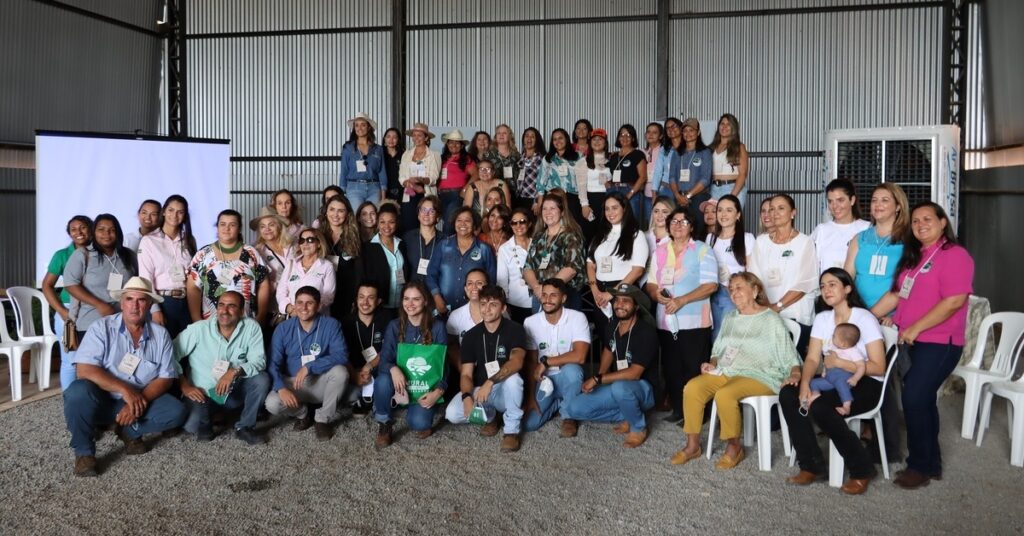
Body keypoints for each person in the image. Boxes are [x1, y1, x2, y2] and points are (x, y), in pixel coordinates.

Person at [870, 202, 974, 490]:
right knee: (923, 399)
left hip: (940, 342)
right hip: (911, 341)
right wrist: (865, 318)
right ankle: (932, 463)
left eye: (928, 219)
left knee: (915, 397)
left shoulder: (955, 255)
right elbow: (895, 295)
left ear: (943, 222)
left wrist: (916, 326)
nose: (920, 224)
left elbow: (954, 300)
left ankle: (918, 465)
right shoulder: (914, 256)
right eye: (915, 221)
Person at [670, 272, 801, 469]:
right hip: (727, 371)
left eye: (739, 288)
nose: (734, 293)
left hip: (761, 374)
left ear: (755, 290)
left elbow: (789, 355)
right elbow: (718, 350)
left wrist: (795, 373)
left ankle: (734, 447)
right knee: (693, 387)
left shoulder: (770, 319)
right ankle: (693, 445)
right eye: (731, 289)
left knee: (725, 394)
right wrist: (712, 364)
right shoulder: (730, 317)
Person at [62, 277, 187, 477]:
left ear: (150, 305)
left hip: (138, 400)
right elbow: (84, 370)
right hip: (102, 399)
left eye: (141, 300)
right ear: (121, 303)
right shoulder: (101, 328)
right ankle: (84, 452)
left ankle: (129, 431)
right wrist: (125, 390)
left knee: (177, 412)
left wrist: (137, 401)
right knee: (77, 392)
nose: (135, 306)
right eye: (129, 299)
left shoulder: (161, 335)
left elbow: (166, 378)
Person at [779, 268, 889, 495]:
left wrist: (840, 363)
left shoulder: (864, 318)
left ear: (847, 288)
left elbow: (879, 366)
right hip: (832, 379)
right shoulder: (822, 319)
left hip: (865, 383)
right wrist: (805, 384)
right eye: (822, 286)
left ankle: (862, 468)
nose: (826, 290)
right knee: (788, 394)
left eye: (832, 284)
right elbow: (811, 358)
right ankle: (811, 465)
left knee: (820, 406)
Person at [561, 284, 658, 448]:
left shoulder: (645, 332)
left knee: (620, 388)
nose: (619, 304)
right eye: (617, 300)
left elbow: (634, 373)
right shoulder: (613, 325)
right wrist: (597, 376)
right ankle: (627, 414)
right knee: (574, 408)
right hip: (617, 386)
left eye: (626, 301)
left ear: (636, 306)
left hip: (644, 389)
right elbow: (608, 350)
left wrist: (599, 379)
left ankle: (638, 427)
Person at [645, 207, 718, 424]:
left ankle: (698, 413)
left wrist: (682, 300)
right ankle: (678, 409)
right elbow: (650, 283)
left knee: (693, 368)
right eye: (674, 221)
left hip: (695, 321)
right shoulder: (659, 251)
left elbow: (711, 285)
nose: (678, 225)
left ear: (692, 227)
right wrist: (655, 294)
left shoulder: (702, 250)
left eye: (684, 221)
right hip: (666, 321)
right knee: (672, 368)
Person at [173, 290, 271, 444]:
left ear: (241, 310)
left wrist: (234, 371)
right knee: (193, 428)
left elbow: (259, 361)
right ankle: (213, 416)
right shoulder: (198, 329)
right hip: (201, 394)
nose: (224, 311)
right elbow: (170, 355)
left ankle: (244, 427)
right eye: (221, 305)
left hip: (233, 392)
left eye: (231, 306)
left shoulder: (251, 327)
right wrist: (184, 386)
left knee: (262, 379)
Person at [445, 285, 527, 452]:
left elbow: (517, 362)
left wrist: (490, 382)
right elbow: (466, 374)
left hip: (503, 390)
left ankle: (511, 431)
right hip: (480, 391)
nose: (486, 309)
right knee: (452, 414)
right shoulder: (471, 335)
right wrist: (467, 396)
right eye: (483, 304)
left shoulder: (515, 329)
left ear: (503, 307)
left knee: (514, 379)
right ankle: (491, 417)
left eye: (493, 304)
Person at [265, 286, 350, 440]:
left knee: (341, 372)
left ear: (318, 306)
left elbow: (342, 355)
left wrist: (310, 367)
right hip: (293, 383)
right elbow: (273, 364)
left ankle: (323, 419)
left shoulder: (331, 324)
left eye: (309, 303)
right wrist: (281, 388)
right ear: (295, 305)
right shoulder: (283, 328)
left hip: (320, 381)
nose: (303, 308)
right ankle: (303, 414)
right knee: (272, 403)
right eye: (300, 303)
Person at [373, 281, 449, 448]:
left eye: (416, 299)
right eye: (406, 299)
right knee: (382, 380)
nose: (410, 304)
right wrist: (393, 369)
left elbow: (444, 365)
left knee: (419, 423)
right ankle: (384, 422)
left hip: (424, 385)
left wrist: (438, 391)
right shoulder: (394, 326)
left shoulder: (438, 327)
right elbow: (384, 360)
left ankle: (418, 409)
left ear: (426, 301)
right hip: (400, 382)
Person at [750, 194, 818, 351]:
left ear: (793, 213)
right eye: (772, 209)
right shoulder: (761, 242)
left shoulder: (805, 242)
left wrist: (777, 307)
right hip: (766, 315)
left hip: (796, 314)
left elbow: (805, 283)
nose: (775, 213)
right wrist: (767, 308)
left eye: (781, 208)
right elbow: (754, 279)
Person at [522, 278, 589, 435]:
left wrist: (546, 362)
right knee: (529, 424)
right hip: (544, 380)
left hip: (567, 377)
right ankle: (559, 403)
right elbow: (532, 362)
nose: (547, 300)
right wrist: (530, 396)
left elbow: (580, 356)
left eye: (553, 295)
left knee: (573, 370)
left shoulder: (577, 318)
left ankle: (569, 416)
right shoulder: (530, 322)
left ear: (563, 298)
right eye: (544, 295)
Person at [187, 209, 269, 323]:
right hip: (210, 324)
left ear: (239, 228)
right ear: (217, 227)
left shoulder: (251, 253)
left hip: (246, 322)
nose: (227, 228)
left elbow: (263, 285)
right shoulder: (203, 254)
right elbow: (193, 288)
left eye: (232, 225)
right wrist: (196, 319)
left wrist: (261, 316)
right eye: (223, 224)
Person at [64, 214, 138, 340]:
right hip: (91, 323)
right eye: (101, 229)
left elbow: (137, 284)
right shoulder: (82, 255)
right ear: (93, 232)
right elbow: (71, 284)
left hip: (124, 323)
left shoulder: (128, 255)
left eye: (111, 230)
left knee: (123, 360)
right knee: (91, 360)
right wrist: (100, 305)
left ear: (118, 232)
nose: (106, 234)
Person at [587, 192, 649, 340]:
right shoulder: (600, 235)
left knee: (624, 340)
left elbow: (638, 270)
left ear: (624, 209)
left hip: (623, 292)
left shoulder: (636, 235)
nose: (610, 212)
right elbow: (590, 264)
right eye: (607, 209)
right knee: (605, 337)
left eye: (614, 208)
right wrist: (595, 291)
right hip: (600, 293)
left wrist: (613, 293)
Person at [42, 215, 92, 390]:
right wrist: (62, 312)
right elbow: (47, 285)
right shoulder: (62, 255)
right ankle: (69, 400)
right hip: (70, 311)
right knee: (70, 360)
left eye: (83, 227)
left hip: (94, 310)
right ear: (69, 234)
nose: (78, 232)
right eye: (73, 229)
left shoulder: (100, 252)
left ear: (91, 229)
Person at [137, 195, 197, 340]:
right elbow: (145, 278)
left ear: (184, 216)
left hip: (188, 301)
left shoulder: (189, 240)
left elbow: (195, 275)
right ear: (163, 212)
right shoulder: (149, 241)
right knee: (164, 349)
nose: (174, 215)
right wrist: (155, 309)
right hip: (163, 302)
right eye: (171, 210)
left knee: (187, 351)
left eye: (180, 212)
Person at [844, 183, 910, 309]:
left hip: (892, 318)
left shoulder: (908, 240)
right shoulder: (859, 238)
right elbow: (847, 278)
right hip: (859, 311)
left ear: (898, 206)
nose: (877, 204)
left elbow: (907, 286)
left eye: (885, 200)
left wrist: (873, 317)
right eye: (874, 200)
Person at [522, 192, 587, 311]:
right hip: (540, 296)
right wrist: (537, 287)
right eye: (545, 209)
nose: (548, 212)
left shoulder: (571, 236)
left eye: (552, 208)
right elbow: (527, 267)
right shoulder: (539, 237)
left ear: (562, 212)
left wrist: (547, 289)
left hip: (564, 297)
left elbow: (571, 269)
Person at [427, 207, 497, 315]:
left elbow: (491, 280)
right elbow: (431, 274)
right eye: (459, 220)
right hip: (443, 308)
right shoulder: (443, 246)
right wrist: (436, 297)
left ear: (474, 225)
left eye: (467, 220)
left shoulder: (484, 249)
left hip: (474, 310)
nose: (462, 224)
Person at [706, 194, 755, 341]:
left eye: (729, 210)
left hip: (735, 293)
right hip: (714, 291)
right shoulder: (710, 238)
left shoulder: (747, 238)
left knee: (729, 335)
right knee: (715, 335)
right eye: (720, 210)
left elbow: (751, 272)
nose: (723, 214)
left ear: (738, 214)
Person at [341, 282, 394, 414]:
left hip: (380, 367)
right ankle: (371, 396)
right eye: (361, 297)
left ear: (378, 301)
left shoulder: (387, 319)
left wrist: (369, 366)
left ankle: (377, 397)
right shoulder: (346, 322)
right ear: (356, 299)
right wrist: (354, 374)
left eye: (370, 297)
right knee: (348, 395)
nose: (365, 302)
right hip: (354, 371)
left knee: (386, 381)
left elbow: (390, 349)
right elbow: (341, 354)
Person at [316, 193, 362, 318]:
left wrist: (357, 296)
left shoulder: (355, 237)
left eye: (340, 211)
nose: (335, 215)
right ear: (326, 212)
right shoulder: (318, 236)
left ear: (347, 214)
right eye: (332, 209)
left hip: (347, 293)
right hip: (322, 292)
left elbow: (359, 271)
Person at [811, 179, 870, 274]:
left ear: (852, 200)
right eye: (830, 201)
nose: (835, 206)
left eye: (840, 200)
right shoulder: (821, 230)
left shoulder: (867, 228)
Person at [660, 118, 712, 224]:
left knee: (697, 230)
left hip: (698, 198)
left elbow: (705, 178)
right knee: (679, 228)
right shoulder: (677, 153)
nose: (688, 133)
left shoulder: (705, 152)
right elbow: (672, 177)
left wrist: (687, 196)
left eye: (691, 130)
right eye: (685, 130)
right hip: (678, 198)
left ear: (698, 132)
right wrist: (677, 196)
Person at [808, 323, 867, 416]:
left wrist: (855, 378)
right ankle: (816, 394)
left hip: (843, 377)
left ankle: (847, 406)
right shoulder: (833, 348)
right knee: (813, 382)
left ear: (843, 344)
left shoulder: (853, 352)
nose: (832, 336)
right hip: (829, 378)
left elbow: (861, 366)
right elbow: (827, 361)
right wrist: (824, 370)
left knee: (841, 386)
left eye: (834, 336)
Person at [360, 203, 408, 313]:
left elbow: (402, 272)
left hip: (401, 304)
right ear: (377, 223)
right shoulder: (368, 247)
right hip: (379, 305)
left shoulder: (402, 244)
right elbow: (364, 277)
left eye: (391, 222)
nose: (386, 226)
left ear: (396, 223)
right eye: (382, 222)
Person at [276, 228, 336, 315]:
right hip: (293, 317)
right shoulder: (291, 264)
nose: (305, 243)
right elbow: (281, 292)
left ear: (319, 243)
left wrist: (308, 311)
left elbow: (328, 296)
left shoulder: (327, 266)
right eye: (302, 240)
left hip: (317, 317)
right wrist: (289, 308)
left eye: (310, 240)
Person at [250, 207, 294, 325]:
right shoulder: (256, 251)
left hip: (296, 305)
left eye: (271, 225)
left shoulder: (293, 246)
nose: (267, 229)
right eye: (262, 226)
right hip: (272, 307)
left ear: (279, 226)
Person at [398, 122, 441, 232]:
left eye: (419, 135)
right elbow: (401, 176)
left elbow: (434, 177)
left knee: (427, 225)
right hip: (410, 192)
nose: (416, 138)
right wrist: (407, 182)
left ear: (426, 138)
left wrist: (421, 180)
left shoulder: (434, 155)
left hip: (426, 192)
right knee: (409, 224)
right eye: (414, 135)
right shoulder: (406, 154)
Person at [339, 112, 387, 207]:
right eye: (356, 125)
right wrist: (342, 192)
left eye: (363, 125)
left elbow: (382, 171)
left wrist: (383, 194)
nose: (359, 128)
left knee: (372, 218)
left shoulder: (378, 149)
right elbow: (344, 171)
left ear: (369, 127)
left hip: (374, 188)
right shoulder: (348, 148)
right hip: (354, 187)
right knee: (357, 217)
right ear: (354, 128)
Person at [537, 128, 583, 225]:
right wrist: (540, 203)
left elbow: (584, 179)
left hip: (572, 198)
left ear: (566, 139)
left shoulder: (578, 156)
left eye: (560, 138)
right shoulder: (548, 158)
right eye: (555, 139)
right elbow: (541, 182)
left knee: (572, 226)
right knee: (554, 226)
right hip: (553, 198)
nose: (558, 141)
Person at [496, 206, 534, 323]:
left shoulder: (538, 244)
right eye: (514, 223)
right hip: (516, 303)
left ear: (529, 224)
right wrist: (505, 305)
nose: (518, 226)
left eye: (522, 222)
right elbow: (502, 281)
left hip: (539, 300)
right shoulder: (505, 249)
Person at [438, 129, 478, 233]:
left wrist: (465, 190)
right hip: (441, 195)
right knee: (447, 222)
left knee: (448, 225)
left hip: (456, 194)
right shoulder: (442, 158)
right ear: (447, 144)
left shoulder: (466, 159)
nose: (454, 145)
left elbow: (476, 174)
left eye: (457, 142)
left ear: (461, 145)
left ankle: (446, 247)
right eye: (451, 142)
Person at [575, 128, 611, 239]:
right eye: (594, 139)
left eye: (600, 139)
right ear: (590, 143)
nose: (597, 142)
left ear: (605, 143)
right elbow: (581, 186)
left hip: (608, 199)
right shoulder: (583, 162)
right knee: (590, 234)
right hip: (591, 200)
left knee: (607, 233)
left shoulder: (611, 159)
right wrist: (584, 205)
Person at [709, 113, 749, 207]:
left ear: (733, 128)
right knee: (715, 220)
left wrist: (732, 196)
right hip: (713, 188)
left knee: (732, 219)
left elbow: (743, 174)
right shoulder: (711, 147)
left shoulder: (739, 147)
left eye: (728, 124)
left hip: (732, 188)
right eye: (722, 124)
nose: (724, 127)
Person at [402, 195, 440, 283]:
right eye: (423, 210)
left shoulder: (445, 241)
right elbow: (401, 267)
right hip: (412, 291)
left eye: (432, 211)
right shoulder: (407, 238)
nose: (426, 214)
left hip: (434, 292)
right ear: (418, 214)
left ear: (438, 215)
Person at [642, 122, 669, 226]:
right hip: (645, 193)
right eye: (648, 132)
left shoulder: (664, 151)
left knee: (661, 222)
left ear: (661, 135)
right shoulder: (642, 151)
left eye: (654, 132)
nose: (651, 135)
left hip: (660, 192)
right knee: (647, 224)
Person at [482, 124, 521, 196]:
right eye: (499, 133)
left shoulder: (516, 155)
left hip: (514, 194)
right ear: (495, 137)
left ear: (509, 136)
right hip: (494, 193)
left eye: (504, 133)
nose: (501, 135)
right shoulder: (488, 155)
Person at [516, 127, 545, 211]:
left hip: (534, 200)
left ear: (537, 140)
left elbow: (543, 182)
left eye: (532, 136)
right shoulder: (520, 158)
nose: (529, 139)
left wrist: (537, 201)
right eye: (527, 136)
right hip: (520, 199)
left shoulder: (542, 159)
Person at [382, 127, 406, 202]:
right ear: (384, 139)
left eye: (394, 137)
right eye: (388, 137)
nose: (391, 140)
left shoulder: (404, 154)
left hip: (401, 191)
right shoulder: (379, 154)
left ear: (398, 140)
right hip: (384, 191)